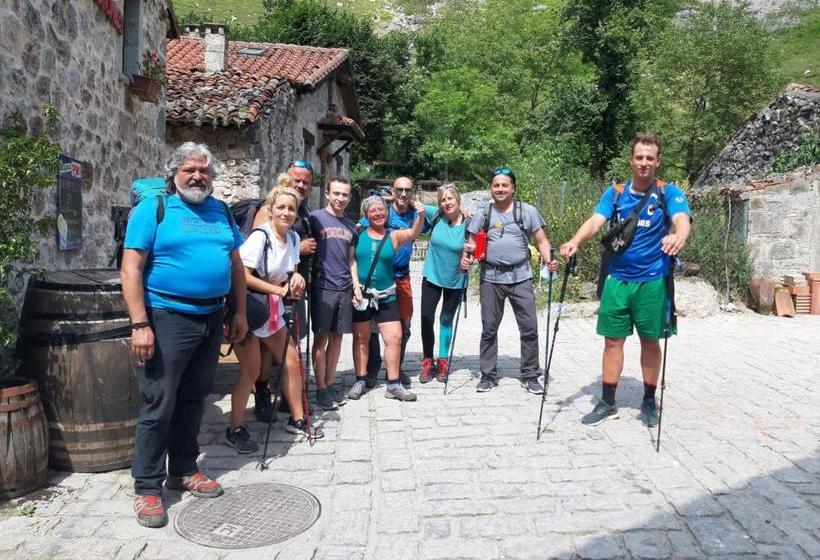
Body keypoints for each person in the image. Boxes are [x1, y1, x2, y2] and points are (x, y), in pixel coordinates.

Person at [121, 142, 248, 528]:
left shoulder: (221, 211)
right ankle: (147, 487)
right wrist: (140, 324)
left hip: (211, 317)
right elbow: (130, 270)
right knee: (159, 402)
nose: (198, 176)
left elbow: (235, 264)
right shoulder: (153, 210)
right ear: (174, 172)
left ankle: (183, 468)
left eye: (205, 171)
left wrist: (239, 310)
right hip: (166, 317)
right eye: (190, 169)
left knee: (194, 397)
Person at [560, 131, 691, 427]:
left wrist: (678, 236)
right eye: (639, 157)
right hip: (617, 280)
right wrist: (575, 241)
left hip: (653, 281)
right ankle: (607, 402)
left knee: (650, 341)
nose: (644, 163)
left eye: (649, 158)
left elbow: (682, 219)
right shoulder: (616, 193)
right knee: (612, 341)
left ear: (657, 162)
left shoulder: (668, 192)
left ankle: (648, 400)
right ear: (631, 160)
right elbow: (596, 221)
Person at [227, 185, 323, 453]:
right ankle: (234, 428)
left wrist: (296, 277)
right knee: (251, 371)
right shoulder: (261, 237)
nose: (286, 212)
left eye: (291, 208)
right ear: (270, 210)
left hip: (272, 310)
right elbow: (242, 275)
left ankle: (298, 418)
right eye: (281, 207)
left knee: (291, 360)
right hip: (249, 309)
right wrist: (278, 290)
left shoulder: (292, 238)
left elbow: (289, 270)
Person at [461, 167, 558, 394]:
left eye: (505, 185)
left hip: (521, 276)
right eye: (496, 185)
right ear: (491, 188)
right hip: (491, 278)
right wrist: (466, 259)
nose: (500, 189)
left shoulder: (527, 211)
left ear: (513, 188)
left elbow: (542, 240)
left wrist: (549, 260)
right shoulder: (483, 213)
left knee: (529, 328)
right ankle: (487, 375)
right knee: (489, 328)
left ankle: (530, 375)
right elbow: (471, 242)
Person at [348, 196, 426, 402]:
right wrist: (355, 285)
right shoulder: (357, 234)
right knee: (361, 339)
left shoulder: (393, 236)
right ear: (366, 214)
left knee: (394, 338)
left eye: (381, 210)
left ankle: (393, 384)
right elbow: (351, 260)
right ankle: (360, 379)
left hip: (386, 295)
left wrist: (421, 215)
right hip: (362, 295)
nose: (378, 213)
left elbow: (413, 233)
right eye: (373, 210)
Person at [308, 177, 357, 410]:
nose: (340, 198)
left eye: (345, 194)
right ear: (327, 193)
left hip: (344, 287)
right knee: (321, 338)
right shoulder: (315, 219)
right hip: (322, 286)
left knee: (337, 338)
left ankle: (329, 383)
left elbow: (351, 259)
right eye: (336, 193)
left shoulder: (350, 226)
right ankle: (320, 388)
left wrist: (355, 286)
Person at [419, 183, 468, 384]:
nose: (447, 203)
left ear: (458, 200)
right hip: (432, 275)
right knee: (426, 318)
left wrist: (470, 260)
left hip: (455, 280)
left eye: (450, 198)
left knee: (446, 320)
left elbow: (477, 245)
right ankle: (428, 360)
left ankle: (443, 361)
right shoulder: (436, 215)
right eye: (443, 199)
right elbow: (415, 205)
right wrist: (392, 197)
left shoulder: (470, 223)